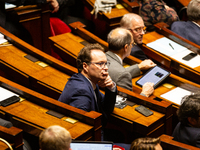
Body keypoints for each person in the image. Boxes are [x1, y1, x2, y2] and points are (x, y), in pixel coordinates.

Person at [58, 43, 117, 124]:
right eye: (100, 64)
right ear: (85, 66)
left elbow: (106, 108)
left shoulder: (89, 81)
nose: (106, 68)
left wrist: (111, 87)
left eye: (106, 63)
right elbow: (81, 127)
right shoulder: (81, 92)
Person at [106, 27, 156, 97]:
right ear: (126, 47)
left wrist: (139, 67)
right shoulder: (122, 75)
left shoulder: (101, 58)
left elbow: (116, 73)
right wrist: (144, 94)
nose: (132, 46)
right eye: (132, 44)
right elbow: (127, 104)